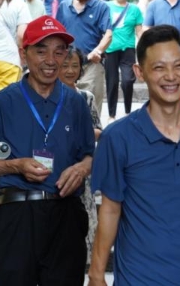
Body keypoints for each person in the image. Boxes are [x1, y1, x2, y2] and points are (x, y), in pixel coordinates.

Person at [88, 25, 180, 286]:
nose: (170, 76)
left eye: (178, 65)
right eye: (158, 68)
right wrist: (96, 273)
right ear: (139, 73)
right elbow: (110, 210)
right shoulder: (117, 137)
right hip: (138, 277)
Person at [0, 15, 95, 286]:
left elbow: (89, 154)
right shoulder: (1, 102)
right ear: (24, 54)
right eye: (41, 51)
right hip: (17, 213)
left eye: (59, 52)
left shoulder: (76, 103)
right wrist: (15, 165)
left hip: (65, 213)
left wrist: (84, 166)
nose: (51, 60)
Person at [58, 45, 102, 265]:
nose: (69, 70)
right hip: (55, 171)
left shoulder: (87, 98)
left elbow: (99, 132)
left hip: (83, 174)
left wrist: (79, 131)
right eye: (64, 65)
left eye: (74, 65)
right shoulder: (48, 98)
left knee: (86, 228)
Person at [56, 0, 112, 115]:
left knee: (90, 112)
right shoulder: (63, 6)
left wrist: (98, 50)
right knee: (63, 111)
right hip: (67, 66)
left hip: (91, 66)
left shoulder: (101, 7)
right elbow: (57, 35)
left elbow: (108, 34)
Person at [104, 0, 142, 122]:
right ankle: (111, 114)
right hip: (110, 49)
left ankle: (127, 111)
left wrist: (145, 48)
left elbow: (139, 31)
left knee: (127, 80)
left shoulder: (134, 9)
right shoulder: (106, 7)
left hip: (128, 49)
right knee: (111, 82)